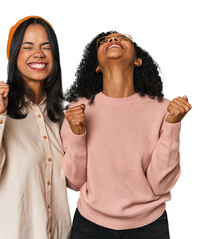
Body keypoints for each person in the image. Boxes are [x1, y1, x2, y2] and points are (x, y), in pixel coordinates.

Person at [61, 31, 191, 239]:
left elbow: (161, 185)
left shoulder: (164, 110)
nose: (113, 40)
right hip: (89, 226)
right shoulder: (78, 109)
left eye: (123, 38)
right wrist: (77, 134)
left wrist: (173, 124)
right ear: (97, 66)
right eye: (104, 40)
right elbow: (74, 181)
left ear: (138, 61)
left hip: (149, 227)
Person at [0, 16, 71, 239]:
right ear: (14, 55)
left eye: (46, 47)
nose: (39, 53)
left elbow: (73, 181)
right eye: (28, 46)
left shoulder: (58, 117)